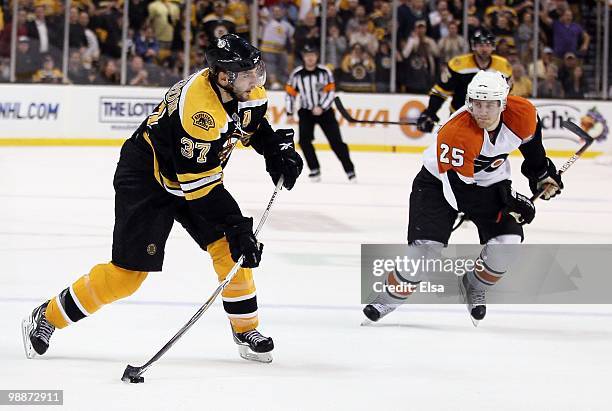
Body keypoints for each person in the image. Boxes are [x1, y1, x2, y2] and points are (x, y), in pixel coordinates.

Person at [21, 34, 303, 364]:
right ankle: (47, 316)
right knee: (127, 277)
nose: (256, 79)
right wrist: (238, 225)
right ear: (224, 77)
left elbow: (251, 127)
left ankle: (245, 329)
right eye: (247, 74)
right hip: (147, 177)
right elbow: (199, 188)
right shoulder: (200, 110)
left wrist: (275, 150)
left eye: (257, 71)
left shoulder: (246, 90)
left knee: (229, 247)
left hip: (190, 176)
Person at [363, 71, 563, 324]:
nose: (482, 111)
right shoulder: (457, 132)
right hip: (438, 185)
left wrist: (543, 176)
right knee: (425, 251)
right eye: (477, 103)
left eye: (489, 105)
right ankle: (386, 299)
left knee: (508, 243)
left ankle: (473, 283)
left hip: (491, 182)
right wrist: (511, 200)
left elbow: (533, 152)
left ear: (503, 103)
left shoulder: (523, 114)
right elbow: (463, 198)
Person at [416, 28, 513, 133]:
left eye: (488, 45)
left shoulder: (503, 67)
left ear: (493, 46)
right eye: (481, 45)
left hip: (490, 121)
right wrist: (430, 112)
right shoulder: (458, 65)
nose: (484, 49)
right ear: (474, 46)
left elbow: (505, 97)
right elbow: (441, 92)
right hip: (460, 117)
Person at [285, 44, 356, 182]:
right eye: (307, 55)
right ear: (304, 57)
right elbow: (290, 94)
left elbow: (331, 92)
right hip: (306, 111)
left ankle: (350, 170)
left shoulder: (325, 72)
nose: (310, 58)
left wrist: (322, 107)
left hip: (326, 112)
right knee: (304, 141)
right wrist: (289, 112)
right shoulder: (297, 74)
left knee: (336, 142)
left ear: (316, 56)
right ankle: (314, 169)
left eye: (312, 55)